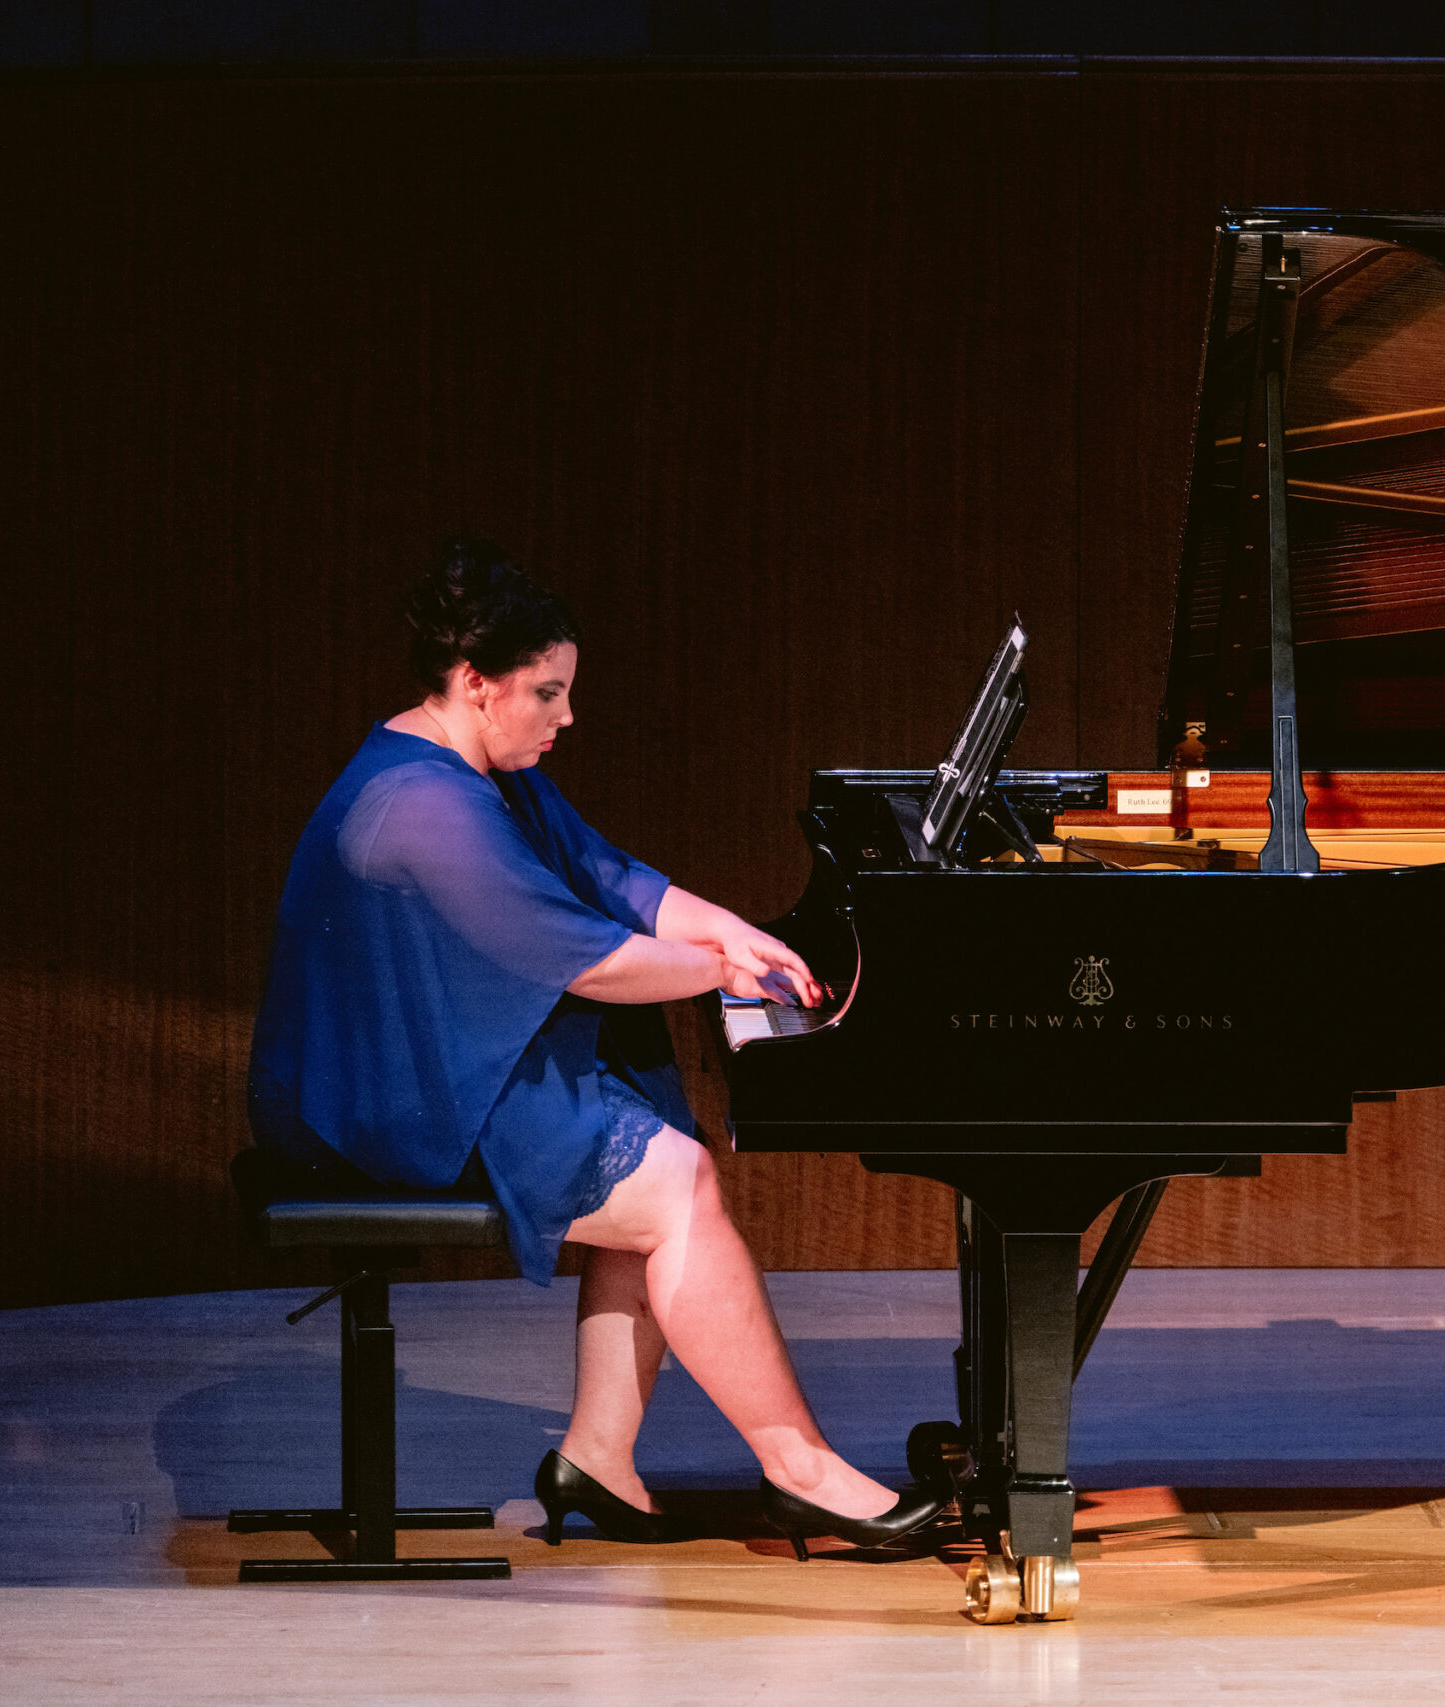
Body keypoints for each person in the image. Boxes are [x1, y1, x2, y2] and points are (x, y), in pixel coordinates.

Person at [247, 536, 944, 1555]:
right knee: (676, 1184)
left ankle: (601, 1463)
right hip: (374, 1101)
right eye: (548, 692)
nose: (567, 715)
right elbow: (591, 962)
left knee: (660, 1167)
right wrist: (721, 973)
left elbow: (612, 877)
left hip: (435, 1058)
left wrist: (732, 931)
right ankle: (798, 1470)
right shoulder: (422, 807)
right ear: (478, 685)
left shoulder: (486, 764)